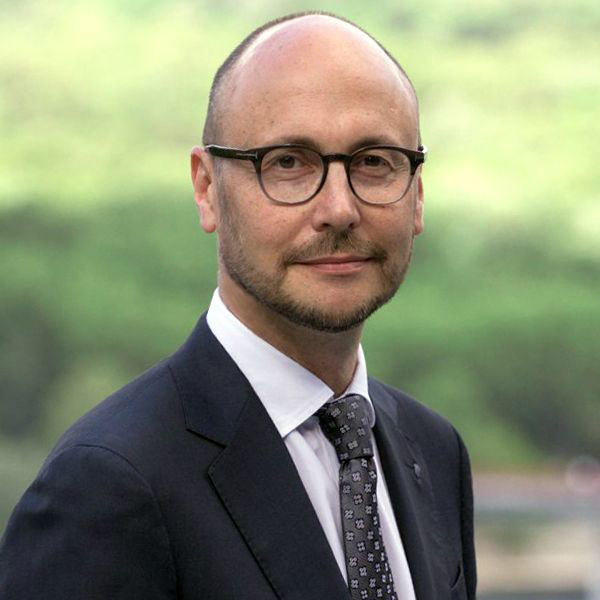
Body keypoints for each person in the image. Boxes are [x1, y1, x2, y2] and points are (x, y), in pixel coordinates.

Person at [0, 11, 476, 600]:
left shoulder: (434, 451)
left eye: (374, 162)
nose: (339, 208)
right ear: (206, 189)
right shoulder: (107, 487)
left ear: (418, 193)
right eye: (288, 162)